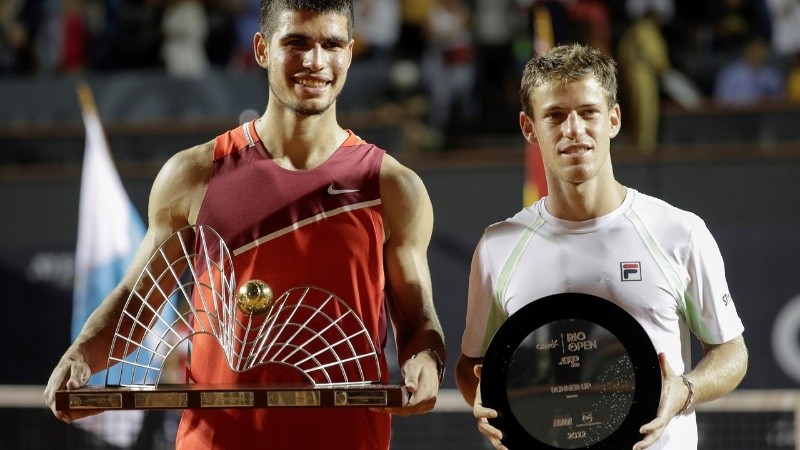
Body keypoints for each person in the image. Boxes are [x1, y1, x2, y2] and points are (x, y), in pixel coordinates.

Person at [43, 1, 447, 449]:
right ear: (261, 49)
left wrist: (426, 361)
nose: (315, 61)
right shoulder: (193, 175)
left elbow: (416, 320)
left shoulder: (392, 187)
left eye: (331, 44)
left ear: (350, 53)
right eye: (296, 42)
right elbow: (137, 307)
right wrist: (80, 355)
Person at [455, 43, 748, 450]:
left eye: (588, 112)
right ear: (528, 127)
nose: (573, 130)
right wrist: (488, 404)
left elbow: (731, 352)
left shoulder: (679, 231)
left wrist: (686, 389)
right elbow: (473, 366)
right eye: (555, 115)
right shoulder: (497, 247)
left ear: (613, 119)